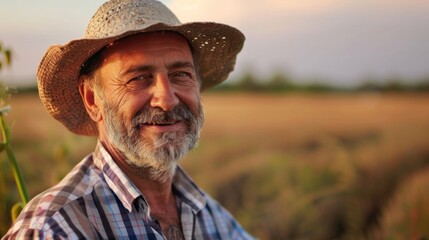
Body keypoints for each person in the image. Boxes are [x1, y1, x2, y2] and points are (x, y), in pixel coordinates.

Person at [3, 0, 253, 239]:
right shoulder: (54, 228)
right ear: (92, 100)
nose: (167, 100)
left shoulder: (211, 216)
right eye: (138, 78)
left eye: (180, 74)